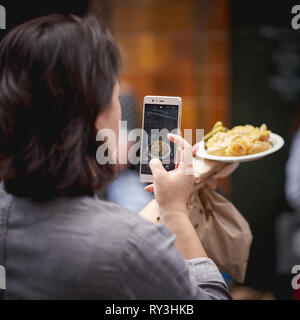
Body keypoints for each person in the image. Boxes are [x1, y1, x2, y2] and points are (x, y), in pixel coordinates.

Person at [0, 13, 230, 299]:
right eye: (115, 96)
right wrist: (174, 212)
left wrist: (171, 200)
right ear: (96, 117)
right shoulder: (129, 246)